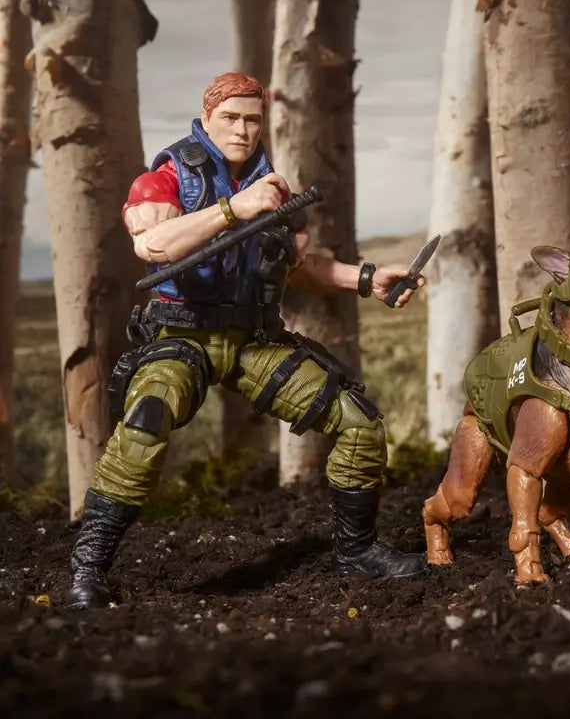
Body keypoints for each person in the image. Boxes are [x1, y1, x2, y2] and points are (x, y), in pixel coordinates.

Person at [66, 72, 426, 609]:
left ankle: (355, 550)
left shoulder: (274, 188)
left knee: (359, 421)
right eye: (230, 118)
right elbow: (153, 245)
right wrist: (234, 209)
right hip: (180, 334)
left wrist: (367, 279)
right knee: (144, 424)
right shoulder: (167, 177)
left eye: (252, 119)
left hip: (253, 340)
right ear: (207, 118)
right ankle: (88, 570)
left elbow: (298, 268)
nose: (242, 129)